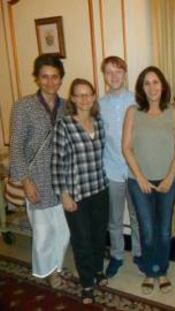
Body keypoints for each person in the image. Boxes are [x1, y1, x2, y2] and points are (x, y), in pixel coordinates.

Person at [122, 66, 175, 294]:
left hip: (169, 180)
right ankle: (150, 271)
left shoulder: (173, 112)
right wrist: (139, 177)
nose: (152, 87)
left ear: (163, 85)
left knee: (164, 229)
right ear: (141, 88)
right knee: (147, 229)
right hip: (139, 181)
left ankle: (162, 270)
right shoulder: (133, 112)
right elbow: (126, 147)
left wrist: (169, 177)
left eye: (156, 82)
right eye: (147, 83)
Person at [9, 54, 70, 289]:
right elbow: (16, 147)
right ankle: (47, 271)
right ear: (37, 78)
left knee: (63, 230)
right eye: (44, 77)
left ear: (61, 79)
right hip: (36, 179)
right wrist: (25, 181)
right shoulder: (23, 106)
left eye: (55, 77)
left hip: (62, 180)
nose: (50, 82)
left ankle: (58, 266)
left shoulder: (67, 106)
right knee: (43, 232)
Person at [52, 79, 109, 304]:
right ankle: (86, 283)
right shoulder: (64, 125)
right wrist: (63, 194)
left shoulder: (100, 123)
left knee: (97, 236)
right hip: (76, 194)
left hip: (99, 189)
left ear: (94, 97)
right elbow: (56, 163)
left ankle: (97, 270)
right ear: (73, 99)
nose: (85, 99)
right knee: (81, 239)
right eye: (79, 95)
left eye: (89, 94)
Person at [99, 56, 142, 278]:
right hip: (112, 170)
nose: (114, 76)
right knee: (114, 218)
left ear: (125, 73)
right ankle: (116, 255)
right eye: (108, 72)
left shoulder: (137, 101)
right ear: (104, 76)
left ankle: (139, 252)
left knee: (137, 215)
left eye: (118, 71)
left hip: (135, 171)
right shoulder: (99, 105)